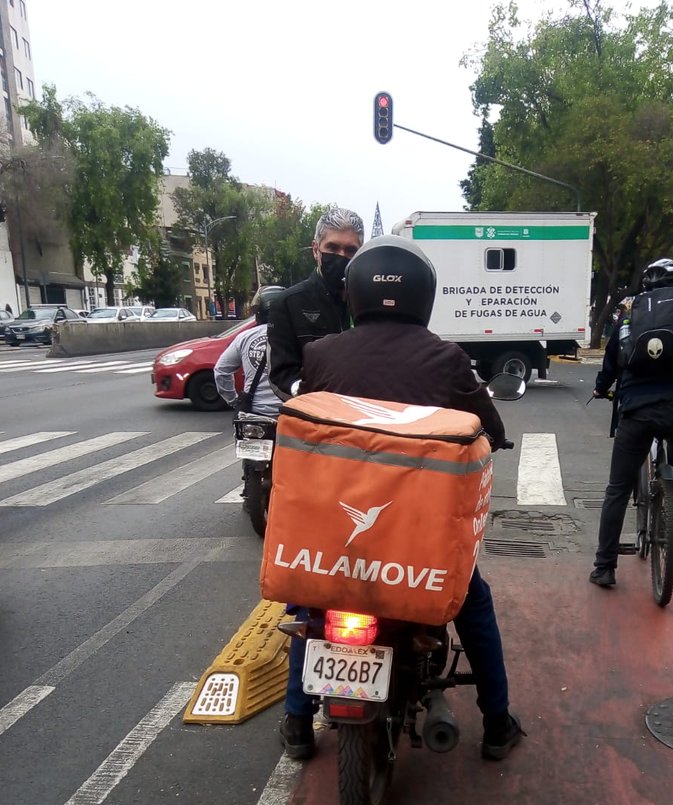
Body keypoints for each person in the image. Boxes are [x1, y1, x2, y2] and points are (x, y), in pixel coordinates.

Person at [278, 235, 523, 764]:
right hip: (416, 545)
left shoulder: (319, 354)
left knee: (310, 596)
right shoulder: (447, 359)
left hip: (336, 539)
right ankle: (498, 722)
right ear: (423, 297)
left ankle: (297, 721)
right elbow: (491, 426)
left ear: (354, 293)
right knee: (471, 600)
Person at [589, 258, 673, 589]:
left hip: (637, 409)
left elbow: (611, 364)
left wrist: (601, 388)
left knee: (618, 488)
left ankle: (604, 566)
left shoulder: (628, 323)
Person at [267, 207, 365, 401]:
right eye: (333, 248)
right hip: (314, 422)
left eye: (350, 250)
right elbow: (279, 375)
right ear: (315, 249)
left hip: (364, 419)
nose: (341, 256)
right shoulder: (288, 304)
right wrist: (311, 397)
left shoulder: (369, 301)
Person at [213, 284, 286, 419]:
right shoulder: (297, 337)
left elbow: (221, 370)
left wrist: (234, 401)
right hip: (291, 414)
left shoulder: (244, 337)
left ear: (259, 311)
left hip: (254, 414)